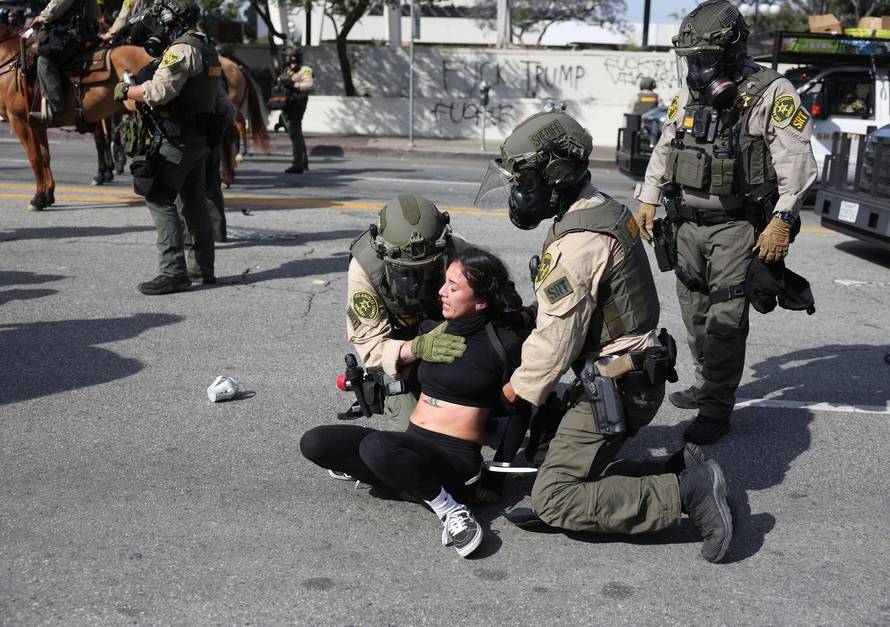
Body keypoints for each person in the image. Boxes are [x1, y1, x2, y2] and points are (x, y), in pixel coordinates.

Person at [476, 109, 733, 563]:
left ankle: (687, 493)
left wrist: (517, 387)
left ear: (556, 175)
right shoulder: (597, 208)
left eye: (526, 181)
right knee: (559, 466)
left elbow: (556, 341)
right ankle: (673, 469)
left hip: (619, 383)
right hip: (627, 369)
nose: (518, 193)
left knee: (553, 497)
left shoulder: (579, 241)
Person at [635, 0, 817, 444]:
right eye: (693, 59)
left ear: (733, 52)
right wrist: (649, 197)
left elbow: (798, 164)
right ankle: (705, 384)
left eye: (706, 59)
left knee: (726, 318)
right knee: (694, 311)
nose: (698, 68)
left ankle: (717, 408)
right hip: (685, 226)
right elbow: (666, 145)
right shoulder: (689, 95)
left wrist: (781, 220)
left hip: (736, 226)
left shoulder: (771, 92)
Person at [302, 248, 526, 558]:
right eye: (445, 282)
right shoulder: (431, 329)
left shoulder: (504, 344)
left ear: (482, 301)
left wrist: (497, 476)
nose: (442, 292)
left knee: (376, 447)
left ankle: (451, 511)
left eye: (454, 287)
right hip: (412, 447)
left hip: (455, 463)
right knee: (315, 442)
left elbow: (522, 409)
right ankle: (402, 477)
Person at [113, 0, 228, 294]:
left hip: (177, 139)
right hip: (200, 140)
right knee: (194, 202)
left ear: (171, 19)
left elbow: (159, 92)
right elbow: (223, 105)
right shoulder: (208, 49)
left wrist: (127, 90)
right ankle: (202, 269)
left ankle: (173, 272)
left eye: (161, 20)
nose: (159, 27)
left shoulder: (181, 49)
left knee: (159, 198)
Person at [30, 0, 100, 125]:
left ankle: (56, 110)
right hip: (85, 31)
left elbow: (57, 6)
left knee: (44, 60)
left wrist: (41, 18)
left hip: (74, 34)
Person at [278, 48, 314, 174]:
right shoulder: (286, 70)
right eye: (288, 57)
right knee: (296, 134)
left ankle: (297, 164)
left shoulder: (305, 70)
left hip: (298, 103)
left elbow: (309, 85)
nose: (290, 59)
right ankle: (303, 161)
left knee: (294, 133)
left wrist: (294, 85)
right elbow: (279, 82)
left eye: (292, 56)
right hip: (287, 105)